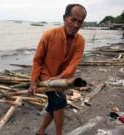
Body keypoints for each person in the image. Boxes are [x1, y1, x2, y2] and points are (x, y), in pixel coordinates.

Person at [28, 4, 87, 135]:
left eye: (80, 22)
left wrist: (61, 77)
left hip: (62, 79)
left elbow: (74, 64)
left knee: (53, 105)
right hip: (46, 78)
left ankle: (41, 131)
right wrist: (33, 82)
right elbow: (37, 60)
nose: (76, 25)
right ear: (65, 18)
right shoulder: (49, 35)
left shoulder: (80, 41)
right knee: (60, 101)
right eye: (73, 20)